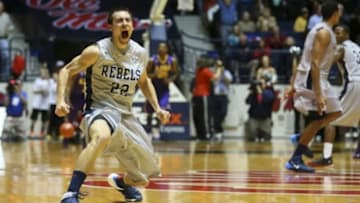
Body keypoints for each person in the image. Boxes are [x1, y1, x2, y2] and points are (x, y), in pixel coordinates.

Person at [56, 8, 170, 203]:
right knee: (101, 137)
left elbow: (143, 81)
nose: (125, 24)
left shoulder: (140, 53)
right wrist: (60, 100)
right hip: (100, 109)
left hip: (125, 115)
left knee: (146, 174)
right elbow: (66, 70)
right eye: (119, 21)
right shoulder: (97, 51)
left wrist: (157, 107)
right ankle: (71, 193)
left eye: (128, 20)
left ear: (132, 26)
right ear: (111, 27)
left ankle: (122, 182)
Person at [285, 0, 342, 173]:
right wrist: (318, 94)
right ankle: (295, 159)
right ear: (334, 14)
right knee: (317, 118)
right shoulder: (323, 32)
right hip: (313, 78)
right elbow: (314, 63)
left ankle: (301, 138)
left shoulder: (324, 30)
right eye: (339, 12)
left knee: (337, 112)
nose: (341, 15)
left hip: (319, 78)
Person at [307, 24, 360, 166]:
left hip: (354, 83)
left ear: (347, 33)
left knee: (331, 118)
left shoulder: (341, 47)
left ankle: (327, 157)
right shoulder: (357, 47)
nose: (336, 35)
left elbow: (328, 61)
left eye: (338, 32)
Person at [145, 42, 178, 139]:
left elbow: (175, 73)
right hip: (153, 87)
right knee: (150, 111)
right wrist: (153, 75)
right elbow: (146, 75)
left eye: (163, 48)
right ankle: (148, 130)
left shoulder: (172, 61)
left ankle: (157, 129)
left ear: (167, 50)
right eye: (159, 48)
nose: (161, 49)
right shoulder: (152, 60)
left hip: (164, 88)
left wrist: (170, 80)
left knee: (162, 109)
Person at [192, 56, 223, 140]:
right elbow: (216, 78)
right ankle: (207, 134)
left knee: (198, 116)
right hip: (203, 95)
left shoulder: (198, 71)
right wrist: (219, 68)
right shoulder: (205, 71)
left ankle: (200, 135)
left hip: (196, 95)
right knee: (205, 116)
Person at [211, 60, 232, 140]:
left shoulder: (227, 73)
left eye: (220, 65)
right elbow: (212, 82)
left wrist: (222, 74)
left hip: (223, 96)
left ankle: (217, 128)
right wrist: (217, 74)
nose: (219, 67)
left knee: (223, 112)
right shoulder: (213, 73)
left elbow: (229, 82)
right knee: (215, 114)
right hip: (215, 96)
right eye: (217, 65)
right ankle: (218, 131)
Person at [29, 65, 50, 138]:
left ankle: (42, 132)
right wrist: (41, 91)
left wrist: (46, 92)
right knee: (33, 118)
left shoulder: (49, 81)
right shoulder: (37, 80)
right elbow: (34, 90)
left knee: (44, 120)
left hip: (44, 104)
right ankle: (31, 131)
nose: (43, 74)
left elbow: (49, 91)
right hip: (37, 103)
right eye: (42, 72)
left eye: (44, 72)